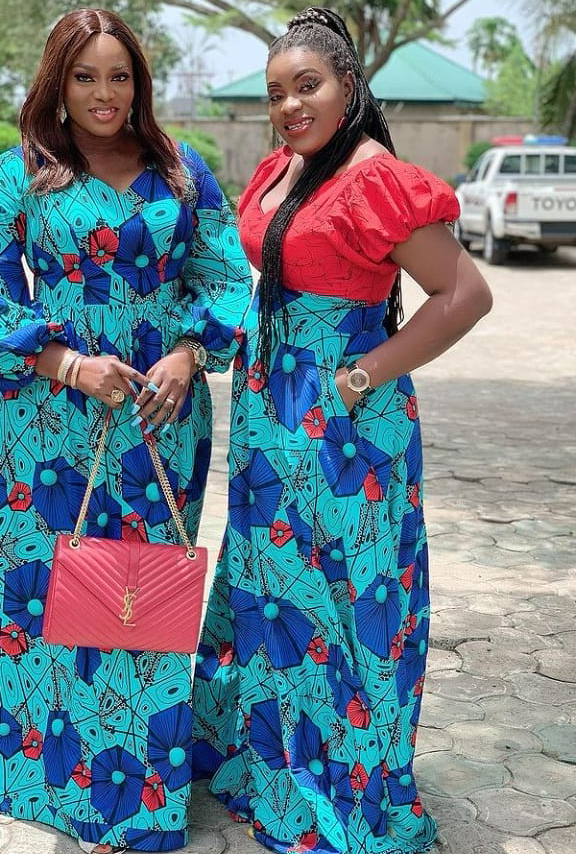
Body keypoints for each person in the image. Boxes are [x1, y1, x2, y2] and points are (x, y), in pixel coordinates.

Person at [0, 8, 251, 853]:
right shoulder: (21, 172)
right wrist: (69, 365)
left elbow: (227, 274)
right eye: (86, 77)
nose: (104, 93)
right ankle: (39, 773)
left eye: (120, 76)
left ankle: (136, 793)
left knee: (137, 594)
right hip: (50, 422)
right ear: (59, 82)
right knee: (44, 589)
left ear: (140, 84)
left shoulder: (183, 171)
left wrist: (189, 353)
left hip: (158, 415)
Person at [192, 7, 492, 854]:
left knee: (345, 597)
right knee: (275, 592)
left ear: (350, 86)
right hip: (269, 416)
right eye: (276, 92)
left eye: (308, 86)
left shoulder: (375, 179)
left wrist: (359, 378)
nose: (289, 105)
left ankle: (347, 782)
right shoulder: (283, 169)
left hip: (343, 426)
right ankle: (278, 768)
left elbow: (466, 295)